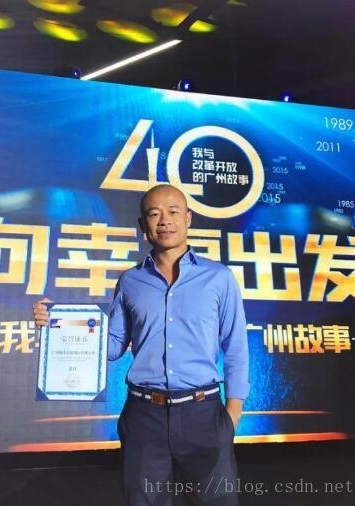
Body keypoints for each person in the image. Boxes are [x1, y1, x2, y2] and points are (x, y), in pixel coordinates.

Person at [33, 184, 250, 505]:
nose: (165, 220)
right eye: (154, 214)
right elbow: (112, 346)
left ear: (188, 218)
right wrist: (57, 323)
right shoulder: (131, 281)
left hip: (204, 413)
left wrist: (231, 416)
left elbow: (236, 347)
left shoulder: (219, 278)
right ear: (142, 225)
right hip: (144, 416)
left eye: (173, 211)